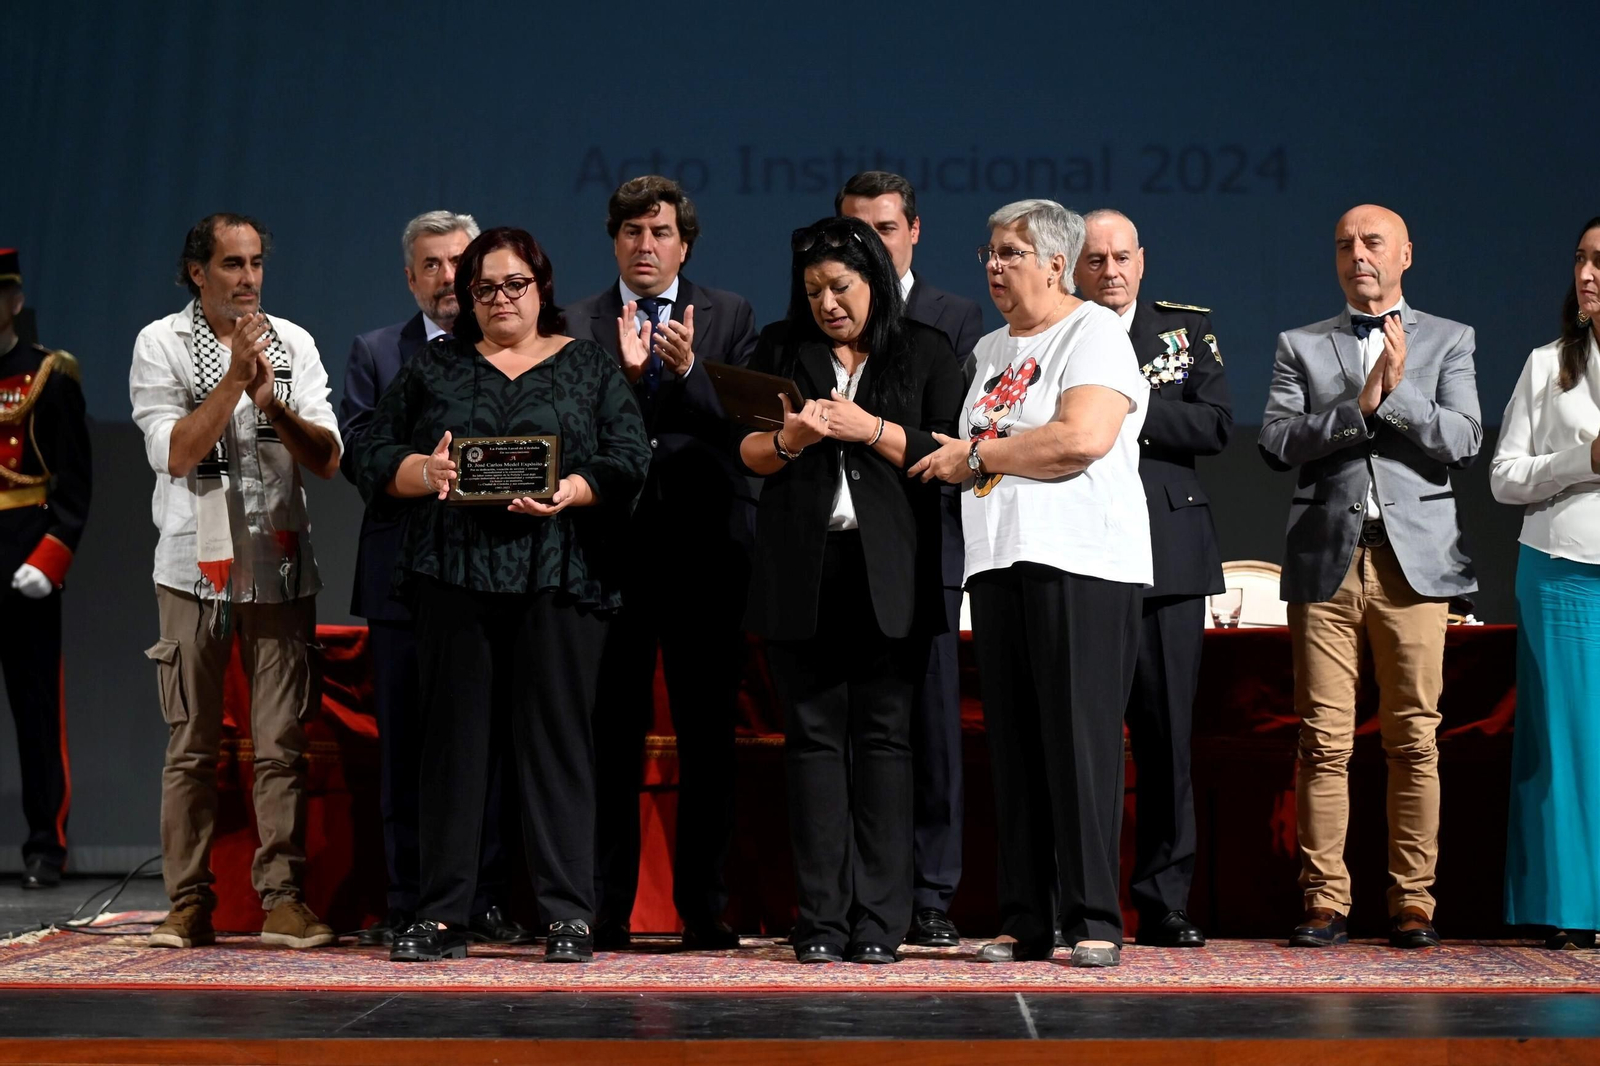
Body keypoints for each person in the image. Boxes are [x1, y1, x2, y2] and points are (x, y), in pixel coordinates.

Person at [355, 227, 650, 964]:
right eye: (483, 288)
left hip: (560, 572)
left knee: (557, 747)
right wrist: (424, 472)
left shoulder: (586, 366)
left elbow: (629, 455)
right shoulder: (435, 368)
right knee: (453, 747)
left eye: (513, 284)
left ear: (541, 287)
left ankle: (568, 914)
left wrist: (575, 488)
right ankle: (442, 912)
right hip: (453, 574)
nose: (499, 299)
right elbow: (370, 451)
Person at [911, 199, 1150, 968]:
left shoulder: (1096, 334)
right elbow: (989, 439)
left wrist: (979, 456)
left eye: (1012, 252)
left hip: (1081, 559)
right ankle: (1027, 917)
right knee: (1014, 746)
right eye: (989, 250)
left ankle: (1093, 919)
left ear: (1056, 262)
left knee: (1078, 745)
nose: (994, 264)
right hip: (999, 558)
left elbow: (1080, 438)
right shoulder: (988, 348)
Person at [739, 215, 961, 964]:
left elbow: (946, 454)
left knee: (886, 745)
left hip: (889, 574)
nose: (829, 302)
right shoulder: (778, 348)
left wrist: (869, 429)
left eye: (841, 287)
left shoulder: (924, 350)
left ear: (872, 280)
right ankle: (823, 921)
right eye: (814, 290)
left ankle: (880, 923)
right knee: (811, 746)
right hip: (803, 571)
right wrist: (789, 440)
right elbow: (748, 451)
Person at [1259, 204, 1481, 950]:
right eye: (1345, 244)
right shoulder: (1301, 344)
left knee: (1414, 739)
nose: (1358, 253)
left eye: (1373, 242)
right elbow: (1279, 441)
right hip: (1326, 559)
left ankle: (1412, 902)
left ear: (1405, 254)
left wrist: (1401, 388)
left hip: (1414, 565)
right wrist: (1360, 403)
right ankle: (1326, 901)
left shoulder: (1450, 339)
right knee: (1323, 741)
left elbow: (1463, 439)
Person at [129, 214, 343, 950]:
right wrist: (231, 384)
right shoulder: (160, 344)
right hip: (194, 568)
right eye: (231, 264)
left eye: (255, 263)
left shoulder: (296, 343)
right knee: (191, 744)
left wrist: (271, 399)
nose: (248, 279)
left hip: (279, 564)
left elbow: (326, 458)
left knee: (281, 741)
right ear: (198, 272)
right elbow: (179, 454)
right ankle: (188, 903)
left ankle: (283, 898)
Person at [564, 176, 758, 950]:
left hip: (707, 557)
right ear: (614, 239)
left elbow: (744, 428)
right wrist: (629, 376)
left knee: (709, 740)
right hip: (609, 557)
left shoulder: (729, 315)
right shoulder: (575, 320)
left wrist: (682, 374)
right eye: (633, 232)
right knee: (609, 738)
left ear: (685, 243)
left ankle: (703, 910)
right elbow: (575, 429)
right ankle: (603, 910)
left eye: (662, 233)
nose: (647, 246)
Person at [338, 211, 530, 949]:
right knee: (411, 748)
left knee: (487, 747)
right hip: (399, 579)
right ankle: (408, 897)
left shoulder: (507, 346)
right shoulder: (378, 352)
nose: (449, 277)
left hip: (489, 577)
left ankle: (480, 897)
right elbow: (361, 454)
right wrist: (425, 471)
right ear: (410, 276)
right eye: (432, 264)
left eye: (461, 261)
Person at [1073, 210, 1232, 948]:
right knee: (1091, 743)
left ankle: (1164, 900)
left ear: (1142, 260)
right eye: (1095, 259)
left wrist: (1124, 411)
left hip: (1169, 556)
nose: (1109, 271)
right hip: (1084, 552)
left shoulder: (1184, 330)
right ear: (1074, 267)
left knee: (1167, 737)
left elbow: (1215, 426)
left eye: (1121, 257)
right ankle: (1087, 899)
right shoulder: (1061, 331)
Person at [837, 171, 983, 947]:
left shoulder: (953, 319)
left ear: (914, 231)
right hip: (838, 559)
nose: (869, 245)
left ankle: (930, 894)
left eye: (885, 229)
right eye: (855, 231)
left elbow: (956, 436)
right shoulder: (818, 317)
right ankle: (857, 898)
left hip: (927, 548)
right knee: (849, 736)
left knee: (926, 731)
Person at [1491, 216, 1600, 951]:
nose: (1587, 275)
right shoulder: (1547, 364)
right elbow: (1504, 478)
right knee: (1566, 746)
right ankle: (1571, 908)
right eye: (1582, 260)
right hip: (1561, 572)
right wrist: (1583, 459)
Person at [0, 248, 91, 890]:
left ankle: (44, 846)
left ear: (13, 300)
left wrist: (49, 557)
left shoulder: (47, 376)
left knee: (35, 708)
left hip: (23, 551)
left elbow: (74, 483)